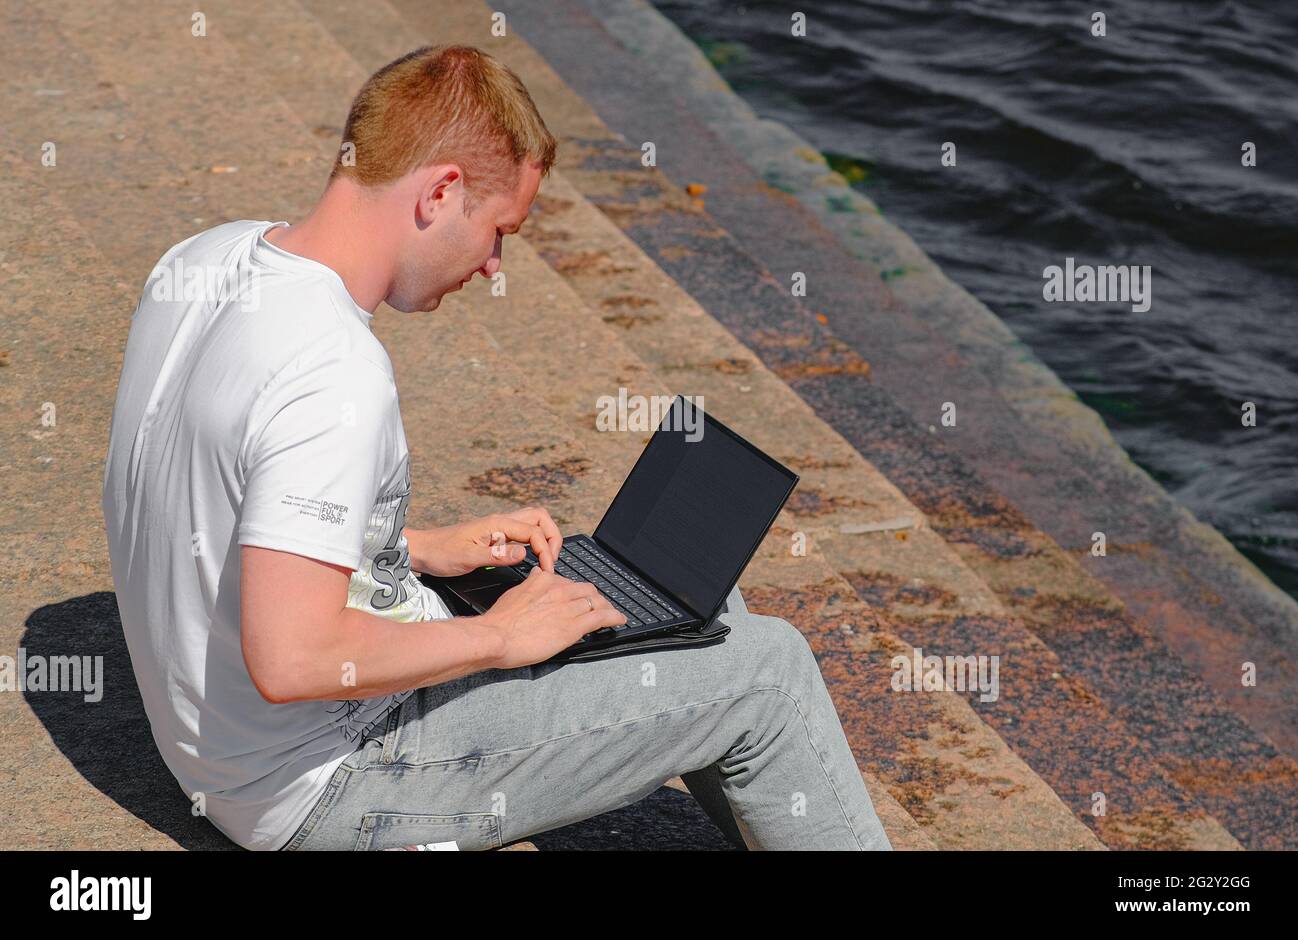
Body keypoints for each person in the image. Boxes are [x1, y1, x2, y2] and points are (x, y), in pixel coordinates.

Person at [101, 44, 893, 852]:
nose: (492, 264)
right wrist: (499, 637)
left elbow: (206, 497)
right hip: (325, 778)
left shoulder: (206, 259)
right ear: (441, 190)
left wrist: (408, 550)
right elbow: (293, 658)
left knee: (697, 612)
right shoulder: (332, 373)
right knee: (769, 672)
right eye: (498, 230)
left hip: (219, 742)